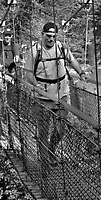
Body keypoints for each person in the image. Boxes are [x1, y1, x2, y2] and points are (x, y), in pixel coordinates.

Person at [24, 21, 87, 165]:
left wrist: (81, 73)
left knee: (60, 130)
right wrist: (36, 85)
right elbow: (28, 73)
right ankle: (46, 161)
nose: (50, 39)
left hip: (62, 95)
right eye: (48, 35)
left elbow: (72, 61)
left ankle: (51, 151)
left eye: (53, 36)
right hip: (43, 97)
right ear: (42, 34)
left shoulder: (61, 48)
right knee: (43, 131)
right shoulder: (35, 51)